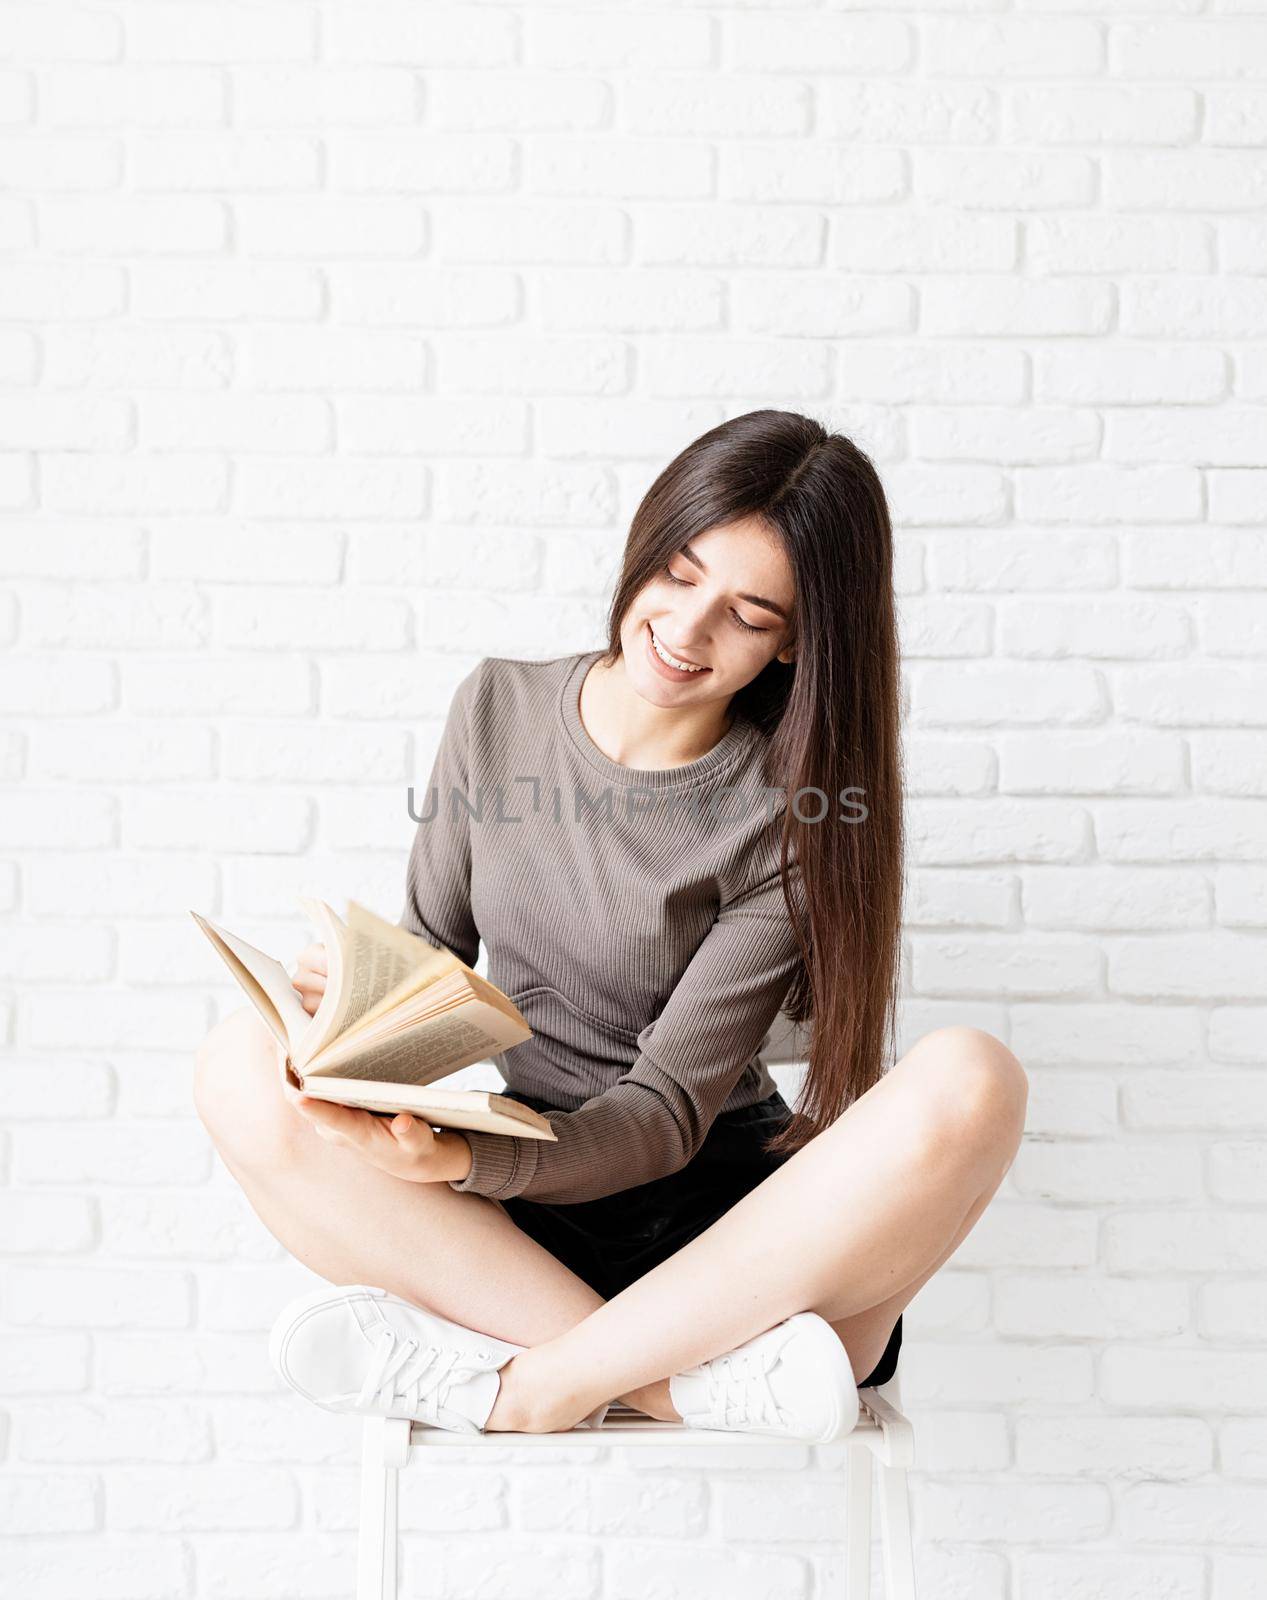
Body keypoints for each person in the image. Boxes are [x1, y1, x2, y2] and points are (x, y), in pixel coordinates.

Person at [195, 409, 1028, 1443]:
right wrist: (358, 1020)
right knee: (241, 1062)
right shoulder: (497, 708)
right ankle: (663, 1388)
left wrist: (466, 1164)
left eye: (748, 612)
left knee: (973, 1075)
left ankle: (532, 1390)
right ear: (646, 544)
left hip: (732, 1244)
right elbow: (435, 972)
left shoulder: (786, 814)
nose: (685, 630)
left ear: (797, 641)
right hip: (527, 1238)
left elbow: (662, 1116)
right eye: (679, 574)